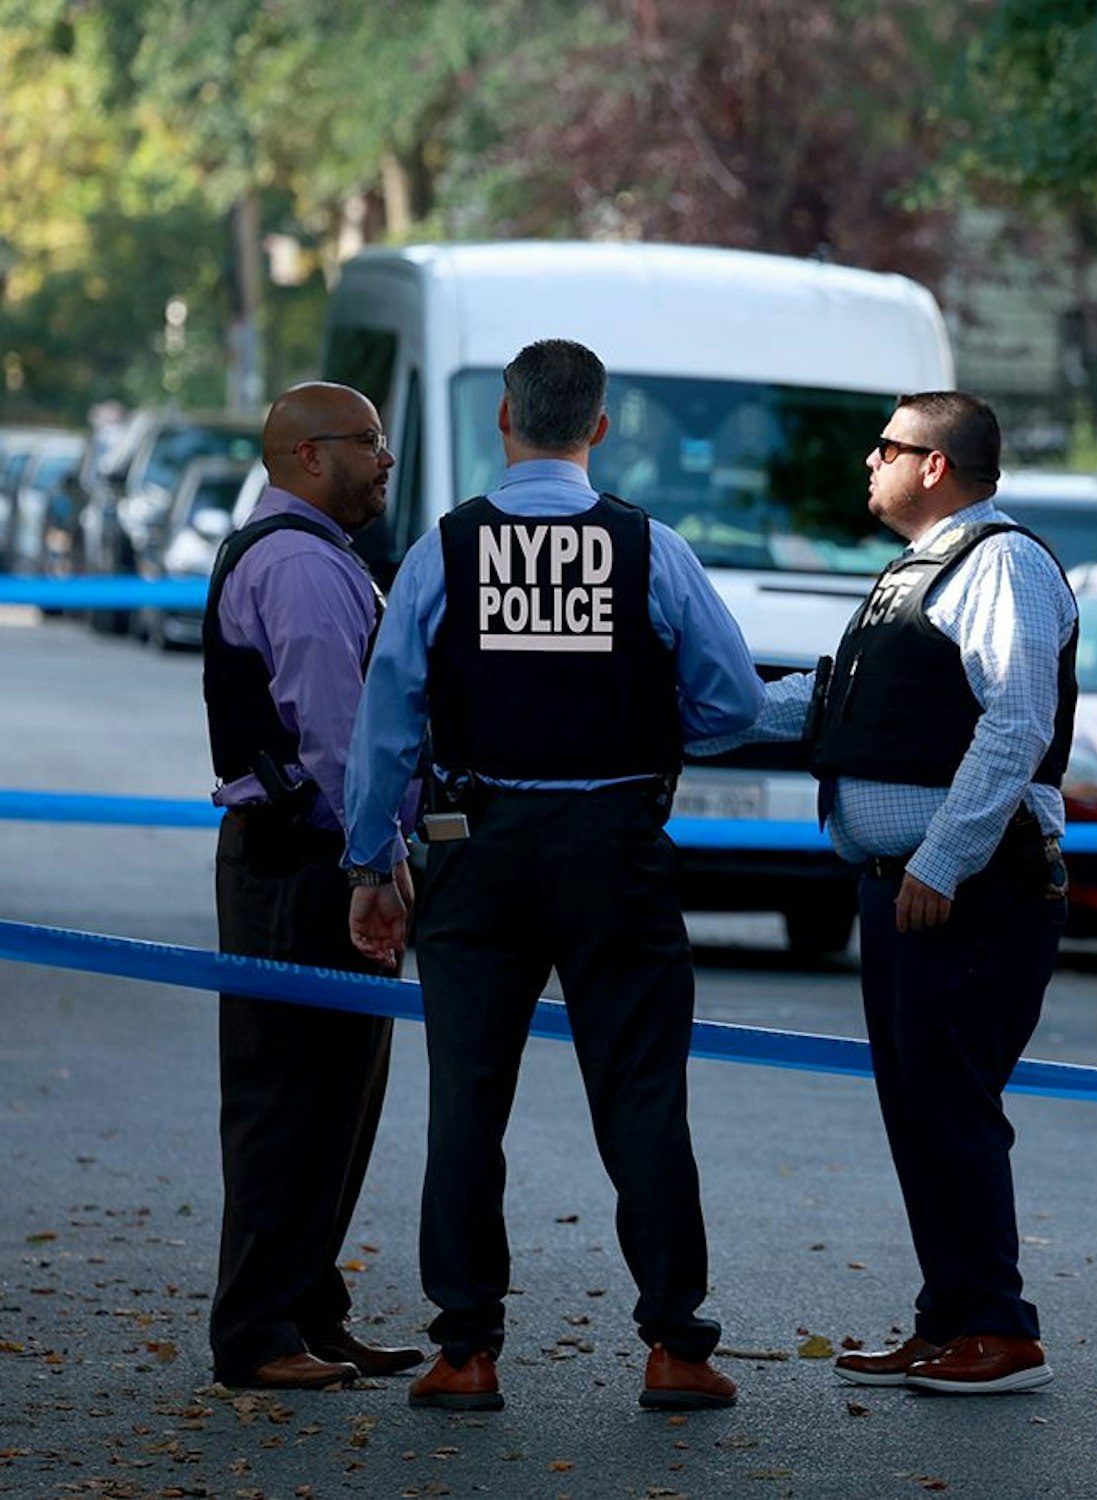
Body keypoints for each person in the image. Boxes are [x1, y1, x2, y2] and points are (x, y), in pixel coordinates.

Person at [342, 338, 761, 1413]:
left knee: (465, 1108)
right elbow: (734, 705)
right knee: (642, 1102)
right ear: (601, 428)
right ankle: (675, 1345)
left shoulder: (443, 552)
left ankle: (466, 1349)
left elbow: (388, 720)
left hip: (477, 846)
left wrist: (370, 862)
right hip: (617, 847)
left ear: (504, 420)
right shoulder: (650, 549)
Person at [693, 391, 1075, 1396]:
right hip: (913, 889)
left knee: (950, 1106)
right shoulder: (922, 571)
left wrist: (940, 860)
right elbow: (839, 705)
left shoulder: (1002, 565)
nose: (870, 461)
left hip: (969, 891)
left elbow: (1016, 723)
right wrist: (680, 712)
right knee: (920, 1108)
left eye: (888, 446)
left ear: (936, 466)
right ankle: (950, 1320)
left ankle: (998, 1327)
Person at [202, 382, 424, 1391]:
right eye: (368, 443)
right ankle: (257, 1333)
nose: (385, 459)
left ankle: (305, 1310)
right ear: (306, 457)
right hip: (306, 862)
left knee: (335, 1099)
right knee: (288, 1099)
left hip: (306, 857)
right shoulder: (297, 565)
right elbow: (339, 740)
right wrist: (373, 862)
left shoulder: (311, 554)